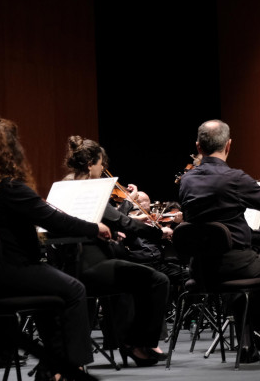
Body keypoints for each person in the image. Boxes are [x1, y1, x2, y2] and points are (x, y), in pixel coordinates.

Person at [0, 116, 111, 379]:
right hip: (13, 271)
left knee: (53, 297)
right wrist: (94, 228)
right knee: (75, 289)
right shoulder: (9, 187)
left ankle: (51, 367)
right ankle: (72, 367)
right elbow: (53, 219)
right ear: (7, 149)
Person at [178, 119, 260, 362]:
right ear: (229, 145)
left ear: (198, 146)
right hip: (233, 262)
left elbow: (217, 228)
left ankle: (247, 345)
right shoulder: (233, 178)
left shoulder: (186, 181)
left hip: (200, 268)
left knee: (247, 280)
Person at [63, 136, 171, 366]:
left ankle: (132, 341)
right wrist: (159, 233)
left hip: (68, 267)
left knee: (140, 279)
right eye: (101, 164)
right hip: (92, 266)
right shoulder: (90, 189)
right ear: (91, 163)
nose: (103, 169)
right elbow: (125, 222)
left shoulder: (64, 186)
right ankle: (137, 343)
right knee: (158, 280)